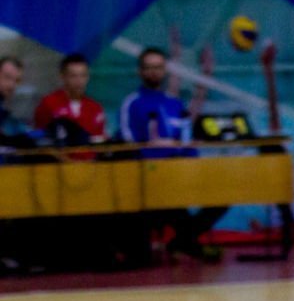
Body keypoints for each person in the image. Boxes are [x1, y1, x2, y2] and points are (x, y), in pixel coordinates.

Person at [119, 47, 225, 261]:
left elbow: (186, 141)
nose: (154, 72)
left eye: (158, 67)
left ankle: (182, 241)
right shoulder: (131, 103)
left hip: (179, 175)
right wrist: (153, 149)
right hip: (147, 179)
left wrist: (188, 159)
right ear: (140, 71)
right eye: (149, 67)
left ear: (165, 70)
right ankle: (187, 242)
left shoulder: (175, 103)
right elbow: (128, 143)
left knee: (224, 193)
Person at [33, 53, 106, 142]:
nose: (79, 81)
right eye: (73, 76)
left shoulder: (95, 108)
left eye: (83, 75)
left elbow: (101, 139)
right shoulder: (48, 104)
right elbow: (39, 137)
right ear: (63, 76)